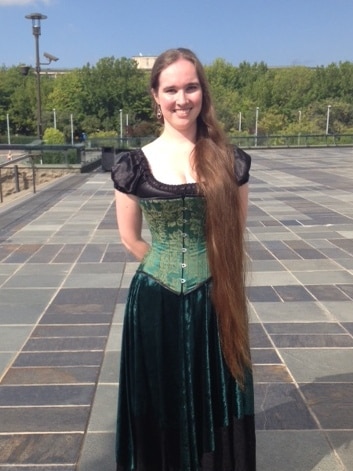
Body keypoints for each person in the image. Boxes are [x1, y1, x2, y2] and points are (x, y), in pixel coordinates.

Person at [111, 47, 256, 471]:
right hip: (153, 303)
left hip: (215, 297)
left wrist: (206, 278)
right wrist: (162, 269)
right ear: (155, 96)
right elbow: (130, 238)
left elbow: (233, 233)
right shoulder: (133, 164)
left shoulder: (230, 160)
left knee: (214, 395)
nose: (181, 98)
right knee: (161, 397)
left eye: (190, 87)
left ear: (202, 92)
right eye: (171, 89)